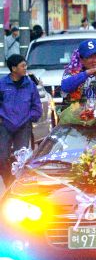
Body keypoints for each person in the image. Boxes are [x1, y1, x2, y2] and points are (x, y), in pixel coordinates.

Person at [0, 54, 42, 185]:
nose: (25, 68)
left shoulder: (30, 85)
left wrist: (32, 117)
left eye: (25, 65)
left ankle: (19, 184)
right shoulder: (2, 84)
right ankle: (8, 181)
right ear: (13, 68)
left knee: (22, 159)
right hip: (5, 125)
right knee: (2, 157)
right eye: (22, 66)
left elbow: (36, 105)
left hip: (23, 125)